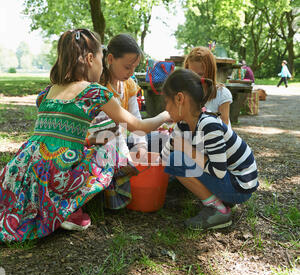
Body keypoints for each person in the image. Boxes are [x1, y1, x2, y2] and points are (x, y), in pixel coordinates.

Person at [0, 29, 170, 244]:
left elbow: (59, 137)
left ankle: (46, 203)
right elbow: (138, 125)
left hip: (22, 168)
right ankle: (65, 206)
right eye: (100, 58)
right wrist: (166, 114)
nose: (102, 67)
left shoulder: (47, 93)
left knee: (99, 139)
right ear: (91, 59)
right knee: (110, 147)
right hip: (57, 174)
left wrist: (91, 140)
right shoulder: (94, 92)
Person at [161, 69, 259, 230]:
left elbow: (219, 171)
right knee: (173, 161)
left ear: (179, 99)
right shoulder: (182, 125)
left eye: (166, 101)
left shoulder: (209, 125)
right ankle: (220, 199)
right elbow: (164, 158)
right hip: (227, 179)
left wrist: (187, 150)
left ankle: (218, 210)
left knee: (176, 160)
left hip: (239, 186)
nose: (166, 108)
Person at [86, 33, 148, 209]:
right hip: (101, 142)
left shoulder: (128, 85)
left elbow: (136, 119)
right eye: (128, 67)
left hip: (120, 141)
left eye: (135, 68)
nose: (131, 73)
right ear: (111, 59)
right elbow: (100, 129)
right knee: (115, 142)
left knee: (157, 139)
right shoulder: (99, 87)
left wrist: (141, 145)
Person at [183, 46, 233, 127]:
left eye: (200, 74)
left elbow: (224, 127)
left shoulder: (221, 94)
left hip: (217, 137)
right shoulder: (186, 93)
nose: (195, 78)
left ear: (210, 72)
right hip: (195, 137)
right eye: (191, 74)